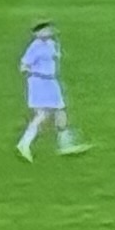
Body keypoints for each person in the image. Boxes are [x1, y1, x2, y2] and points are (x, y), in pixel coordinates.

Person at [16, 22, 88, 160]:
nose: (48, 32)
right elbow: (23, 65)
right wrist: (33, 71)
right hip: (39, 82)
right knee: (42, 114)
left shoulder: (52, 44)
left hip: (52, 81)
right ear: (37, 33)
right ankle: (24, 143)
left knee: (60, 111)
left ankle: (65, 144)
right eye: (44, 30)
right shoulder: (35, 47)